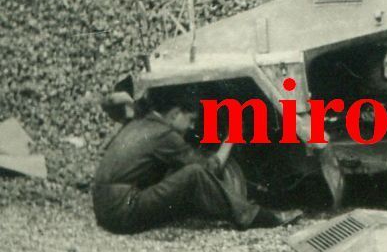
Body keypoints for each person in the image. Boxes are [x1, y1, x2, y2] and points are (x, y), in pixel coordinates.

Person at [92, 96, 301, 234]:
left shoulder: (141, 123)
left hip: (105, 207)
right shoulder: (164, 135)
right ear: (174, 114)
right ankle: (256, 216)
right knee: (194, 174)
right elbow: (207, 169)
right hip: (122, 210)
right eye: (190, 119)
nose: (192, 126)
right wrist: (229, 140)